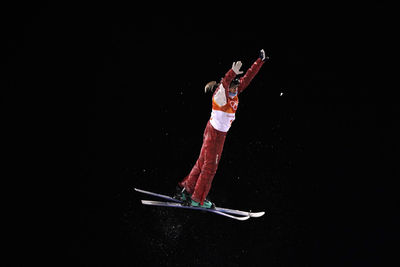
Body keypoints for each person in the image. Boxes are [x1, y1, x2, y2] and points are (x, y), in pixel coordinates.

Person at [175, 49, 268, 208]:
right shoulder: (220, 95)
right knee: (210, 167)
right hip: (215, 135)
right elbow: (225, 83)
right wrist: (231, 73)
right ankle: (197, 198)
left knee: (202, 162)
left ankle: (186, 190)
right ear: (227, 87)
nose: (235, 90)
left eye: (235, 87)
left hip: (215, 132)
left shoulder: (234, 90)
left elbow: (247, 79)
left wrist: (259, 61)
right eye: (233, 87)